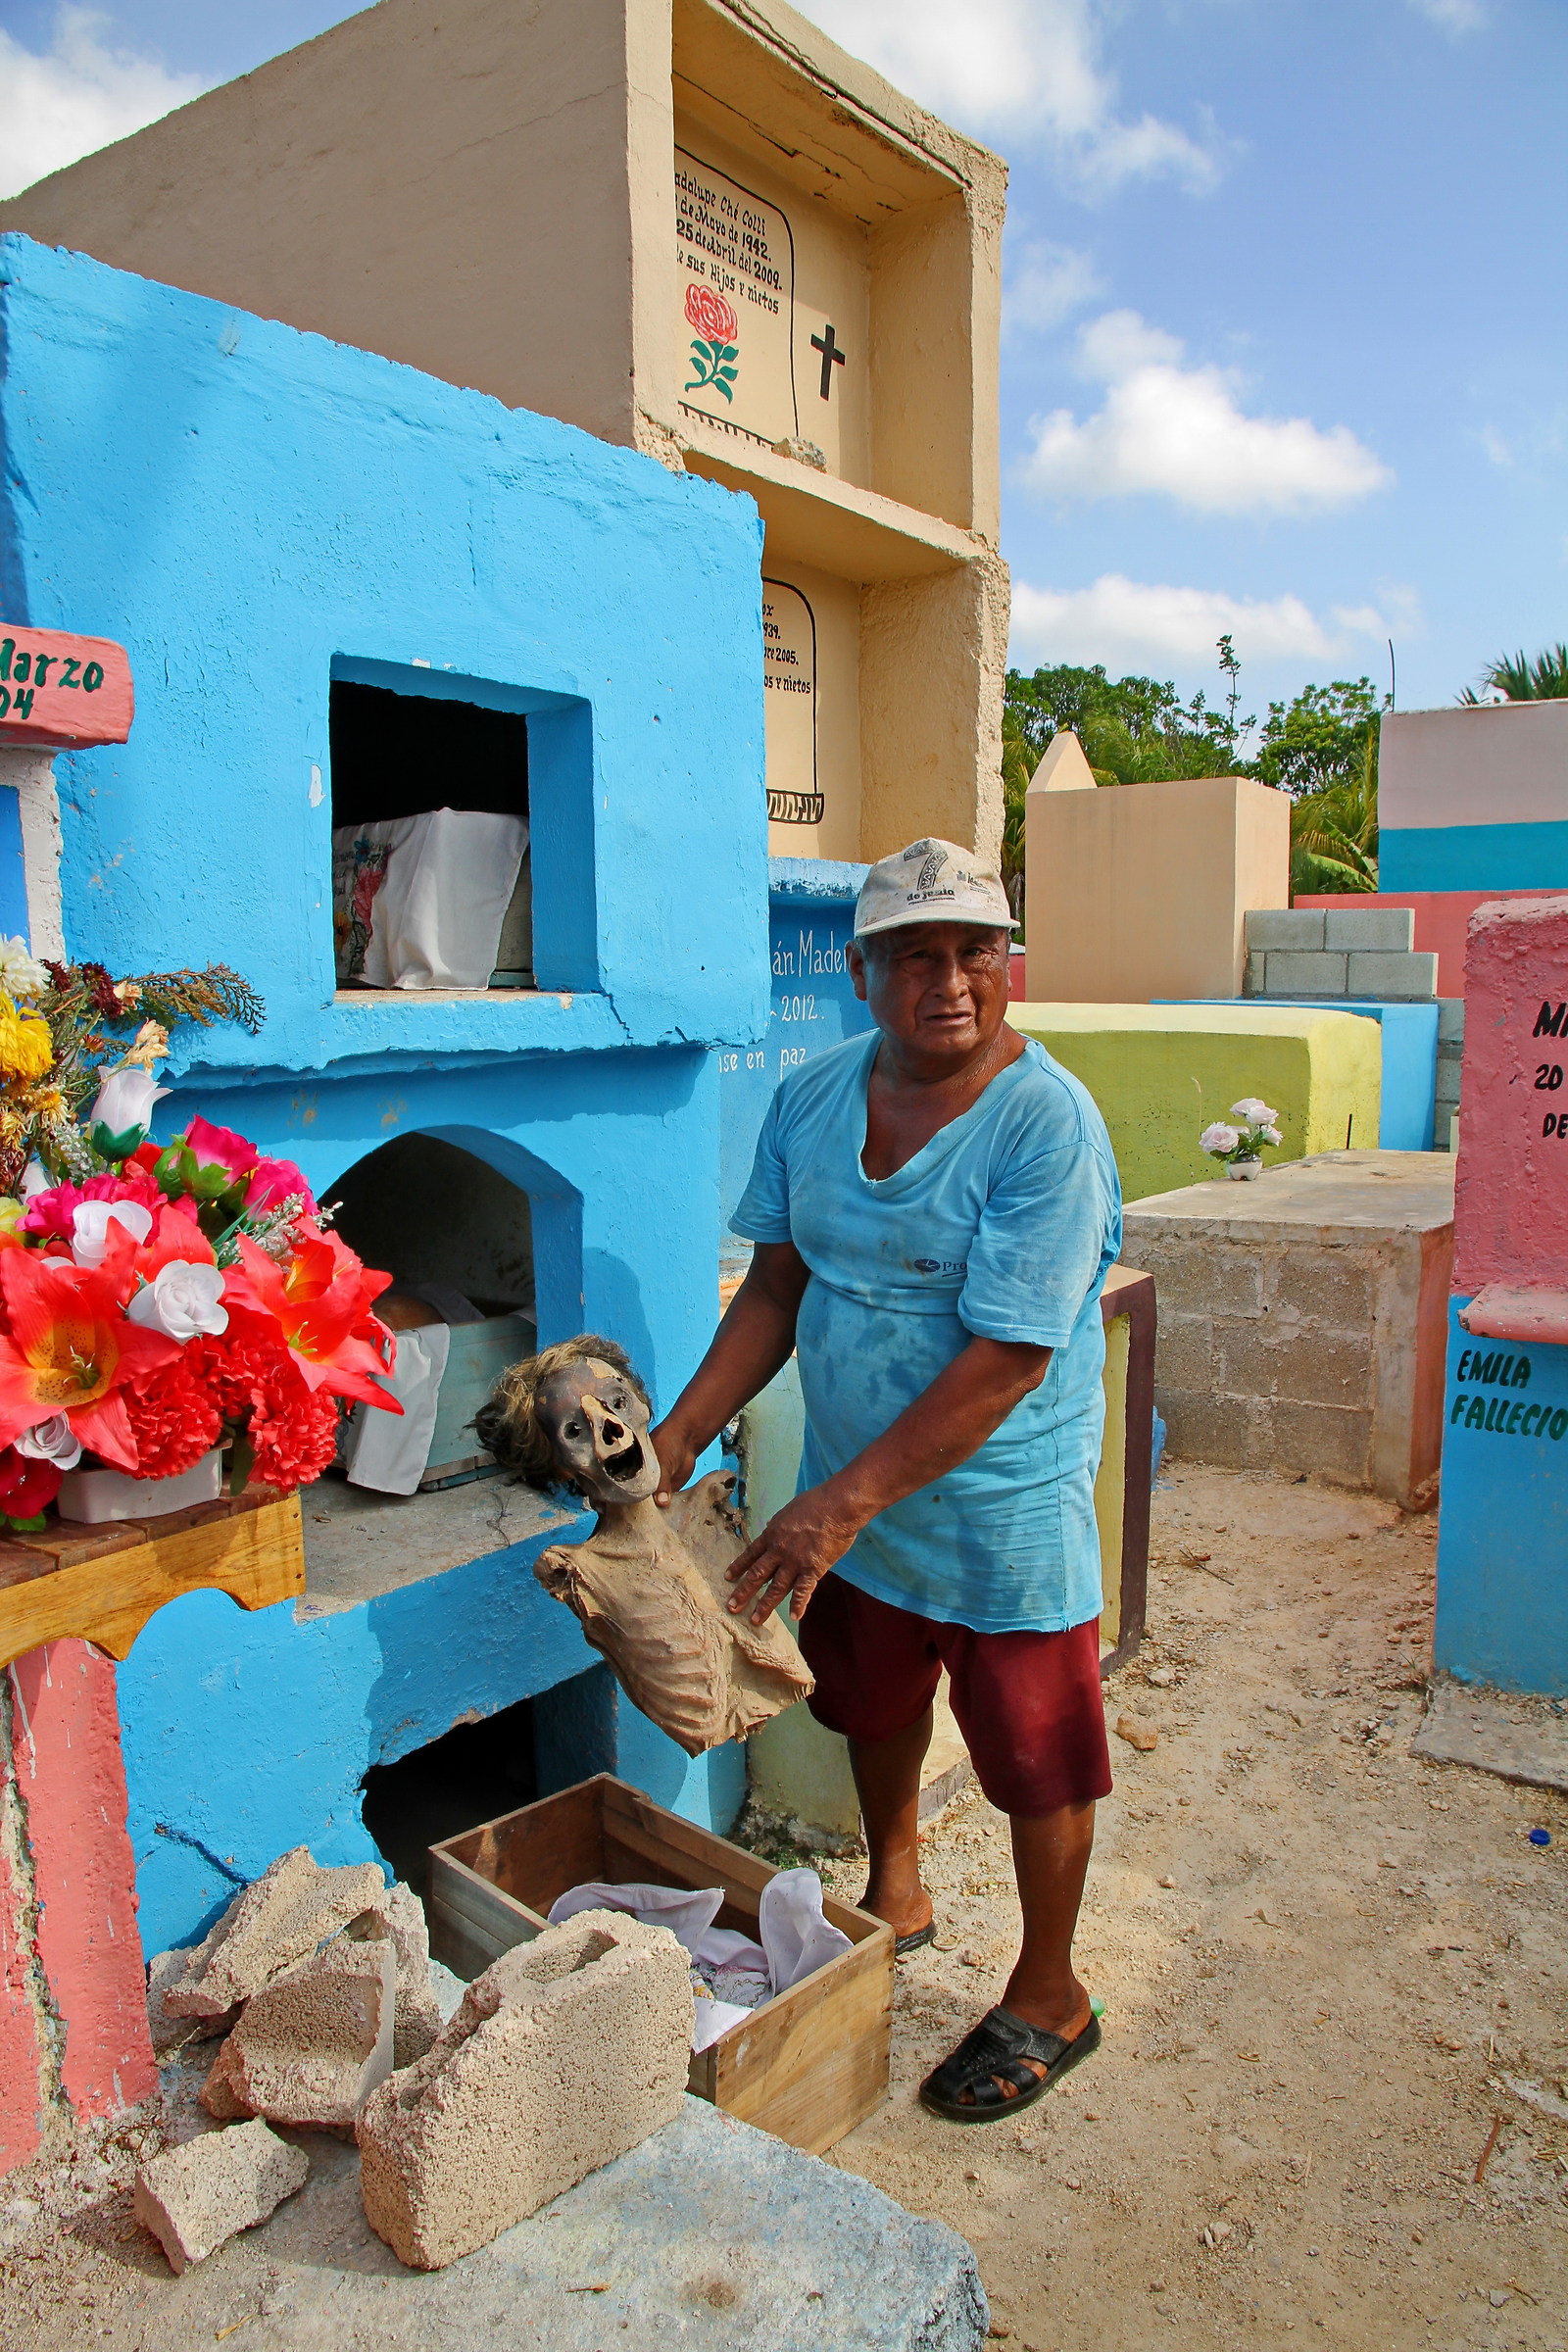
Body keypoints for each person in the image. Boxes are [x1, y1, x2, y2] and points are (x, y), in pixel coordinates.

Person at [650, 837, 1122, 2123]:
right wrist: (683, 1435)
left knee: (1036, 1752)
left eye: (977, 952)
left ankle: (1048, 1991)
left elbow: (1009, 1358)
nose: (952, 982)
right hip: (854, 1497)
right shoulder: (812, 1100)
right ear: (861, 972)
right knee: (868, 1698)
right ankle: (897, 1887)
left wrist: (832, 1506)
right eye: (917, 956)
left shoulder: (1045, 1128)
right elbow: (780, 1285)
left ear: (1008, 966)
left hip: (997, 1507)